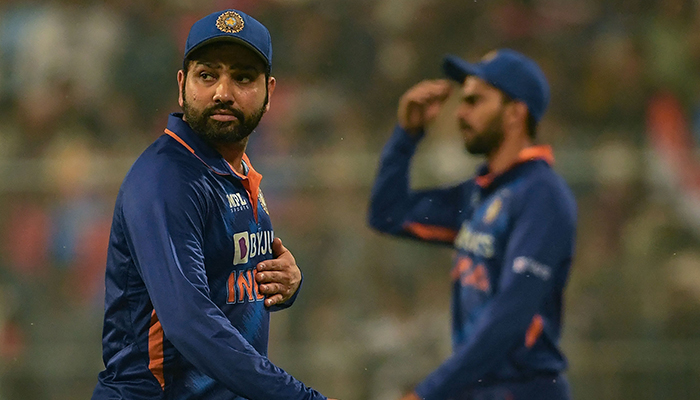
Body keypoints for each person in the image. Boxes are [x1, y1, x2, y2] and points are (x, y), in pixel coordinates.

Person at [92, 9, 337, 400]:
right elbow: (190, 323)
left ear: (269, 91)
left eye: (242, 77)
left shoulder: (232, 170)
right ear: (182, 84)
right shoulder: (167, 179)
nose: (223, 92)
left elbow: (228, 282)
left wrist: (286, 283)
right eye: (207, 75)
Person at [368, 49, 577, 400]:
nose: (461, 113)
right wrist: (407, 135)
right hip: (480, 390)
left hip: (525, 389)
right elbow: (387, 214)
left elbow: (511, 315)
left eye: (475, 101)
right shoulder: (479, 194)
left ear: (515, 112)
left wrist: (429, 392)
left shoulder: (541, 195)